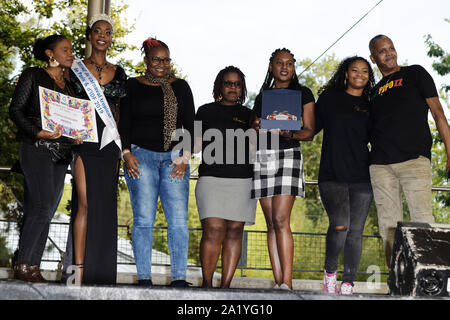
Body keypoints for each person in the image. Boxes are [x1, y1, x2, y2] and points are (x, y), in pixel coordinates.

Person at [118, 37, 195, 288]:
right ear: (146, 61)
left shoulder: (181, 87)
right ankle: (144, 279)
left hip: (175, 160)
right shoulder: (132, 85)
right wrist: (126, 153)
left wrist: (185, 158)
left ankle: (179, 279)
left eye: (166, 59)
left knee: (178, 221)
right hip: (140, 158)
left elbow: (192, 125)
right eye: (156, 59)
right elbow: (124, 122)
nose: (162, 64)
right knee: (143, 219)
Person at [368, 35, 450, 267]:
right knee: (388, 227)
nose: (389, 53)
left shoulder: (415, 73)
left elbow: (438, 114)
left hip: (414, 160)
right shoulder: (373, 92)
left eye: (391, 48)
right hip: (380, 165)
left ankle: (426, 283)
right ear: (374, 58)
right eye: (382, 51)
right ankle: (397, 281)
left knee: (422, 221)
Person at [61, 13, 127, 285]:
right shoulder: (74, 68)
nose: (102, 35)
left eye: (107, 32)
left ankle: (102, 271)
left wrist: (121, 149)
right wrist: (69, 135)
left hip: (109, 144)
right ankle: (77, 271)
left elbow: (119, 112)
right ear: (90, 35)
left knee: (105, 208)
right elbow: (63, 104)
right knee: (85, 205)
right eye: (97, 31)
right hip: (84, 143)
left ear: (111, 39)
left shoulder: (119, 72)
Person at [9, 34, 76, 283]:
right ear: (50, 54)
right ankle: (23, 264)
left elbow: (72, 121)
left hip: (61, 153)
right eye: (65, 49)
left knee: (47, 210)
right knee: (39, 207)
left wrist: (76, 135)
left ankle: (33, 267)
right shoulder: (33, 75)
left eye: (71, 50)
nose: (71, 54)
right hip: (36, 146)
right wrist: (37, 131)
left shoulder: (69, 85)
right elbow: (15, 110)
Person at [250, 48, 315, 290]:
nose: (285, 67)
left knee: (281, 218)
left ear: (294, 67)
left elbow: (309, 131)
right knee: (270, 222)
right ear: (271, 67)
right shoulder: (264, 95)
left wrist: (289, 132)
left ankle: (288, 283)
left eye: (289, 63)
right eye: (280, 63)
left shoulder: (303, 93)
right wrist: (257, 125)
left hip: (288, 154)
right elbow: (255, 128)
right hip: (264, 156)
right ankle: (278, 283)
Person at [315, 56, 375, 295]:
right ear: (346, 73)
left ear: (369, 77)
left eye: (364, 71)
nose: (359, 74)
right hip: (332, 174)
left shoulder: (372, 104)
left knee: (356, 232)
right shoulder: (330, 98)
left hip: (362, 175)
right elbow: (310, 127)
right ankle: (330, 275)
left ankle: (348, 282)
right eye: (354, 70)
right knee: (340, 225)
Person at [195, 66, 257, 289]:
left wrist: (258, 132)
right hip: (211, 179)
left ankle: (226, 288)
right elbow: (194, 145)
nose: (233, 88)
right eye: (228, 83)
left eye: (237, 84)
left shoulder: (250, 115)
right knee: (213, 229)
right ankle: (207, 285)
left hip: (242, 181)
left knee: (234, 231)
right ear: (220, 86)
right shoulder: (205, 111)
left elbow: (255, 149)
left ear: (242, 89)